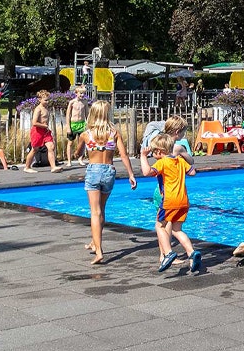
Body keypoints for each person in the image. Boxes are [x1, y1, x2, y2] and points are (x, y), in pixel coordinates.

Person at [80, 100, 138, 264]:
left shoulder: (86, 134)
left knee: (94, 212)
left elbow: (79, 151)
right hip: (109, 171)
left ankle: (99, 250)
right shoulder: (114, 133)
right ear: (107, 114)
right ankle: (94, 241)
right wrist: (131, 174)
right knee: (101, 209)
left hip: (93, 171)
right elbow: (124, 155)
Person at [140, 133, 202, 274]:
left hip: (169, 201)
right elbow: (193, 172)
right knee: (176, 229)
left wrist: (143, 156)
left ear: (160, 152)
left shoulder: (162, 162)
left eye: (153, 152)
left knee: (160, 226)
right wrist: (183, 158)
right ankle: (192, 252)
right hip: (183, 201)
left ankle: (168, 254)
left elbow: (146, 172)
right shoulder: (180, 161)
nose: (152, 155)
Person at [24, 90, 61, 173]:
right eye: (45, 100)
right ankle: (27, 167)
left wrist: (46, 127)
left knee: (51, 147)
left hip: (45, 131)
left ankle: (53, 167)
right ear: (39, 99)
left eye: (48, 100)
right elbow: (34, 122)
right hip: (37, 131)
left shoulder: (46, 108)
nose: (47, 102)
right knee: (35, 149)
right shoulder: (38, 109)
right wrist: (44, 125)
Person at [64, 85, 90, 167]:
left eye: (83, 93)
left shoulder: (85, 102)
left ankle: (80, 159)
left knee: (81, 143)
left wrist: (87, 124)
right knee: (70, 142)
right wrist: (68, 127)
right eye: (80, 93)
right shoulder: (72, 102)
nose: (82, 95)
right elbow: (68, 115)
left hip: (81, 123)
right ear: (76, 93)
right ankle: (69, 160)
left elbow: (87, 114)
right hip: (73, 124)